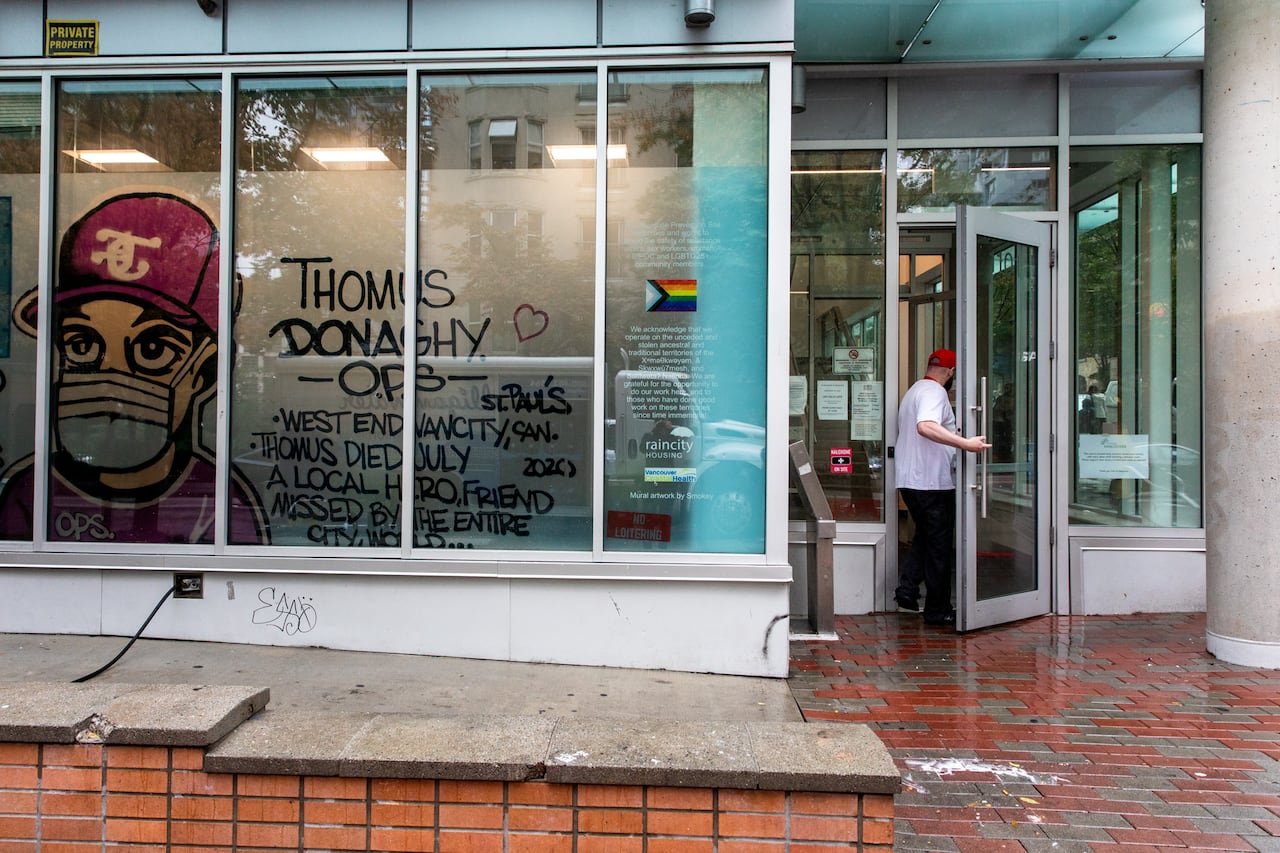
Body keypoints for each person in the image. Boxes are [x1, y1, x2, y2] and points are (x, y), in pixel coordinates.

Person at [0, 192, 268, 544]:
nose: (112, 378)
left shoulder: (215, 500)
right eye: (82, 345)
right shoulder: (31, 493)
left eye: (152, 349)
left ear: (203, 370)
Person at [894, 348, 990, 626]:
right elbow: (926, 426)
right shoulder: (935, 393)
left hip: (913, 480)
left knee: (925, 537)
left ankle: (907, 591)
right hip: (930, 482)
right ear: (950, 373)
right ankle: (937, 610)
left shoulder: (914, 390)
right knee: (938, 547)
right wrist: (966, 444)